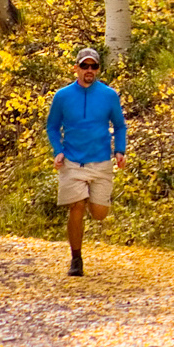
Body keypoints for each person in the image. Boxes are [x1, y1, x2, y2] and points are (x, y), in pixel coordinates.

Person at [45, 48, 127, 276]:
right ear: (76, 68)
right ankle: (76, 259)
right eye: (84, 66)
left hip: (101, 161)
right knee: (76, 206)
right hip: (72, 161)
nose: (89, 70)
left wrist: (120, 150)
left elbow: (120, 125)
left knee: (99, 213)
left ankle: (92, 197)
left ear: (98, 69)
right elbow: (52, 126)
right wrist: (58, 151)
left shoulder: (109, 95)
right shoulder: (62, 96)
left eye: (93, 66)